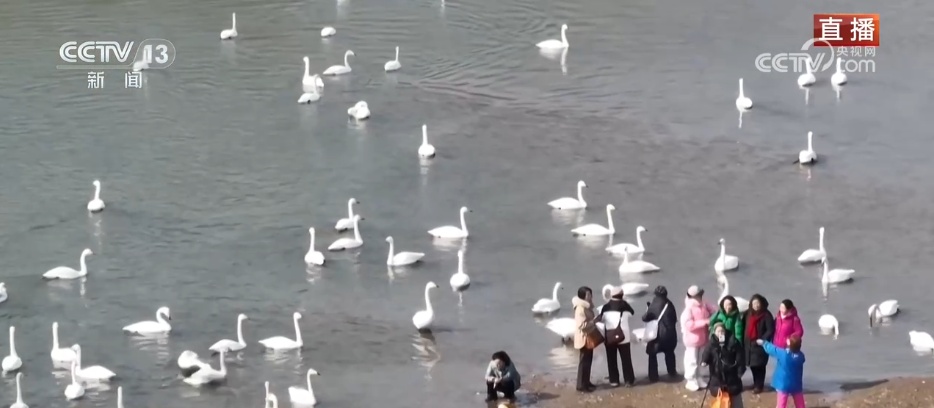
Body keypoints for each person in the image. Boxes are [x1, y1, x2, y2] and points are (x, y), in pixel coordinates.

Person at [680, 285, 717, 391]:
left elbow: (714, 310)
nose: (700, 297)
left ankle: (698, 377)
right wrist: (704, 322)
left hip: (703, 338)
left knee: (701, 359)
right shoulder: (688, 309)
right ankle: (690, 379)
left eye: (700, 294)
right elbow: (688, 325)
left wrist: (712, 313)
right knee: (691, 360)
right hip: (692, 340)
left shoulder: (703, 304)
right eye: (698, 295)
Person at [596, 285, 635, 387]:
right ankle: (628, 380)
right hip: (624, 337)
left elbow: (601, 318)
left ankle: (614, 381)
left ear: (611, 295)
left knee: (611, 359)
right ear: (622, 295)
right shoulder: (625, 306)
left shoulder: (605, 307)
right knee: (626, 359)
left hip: (610, 337)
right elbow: (632, 314)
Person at [701, 322, 746, 408]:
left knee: (735, 398)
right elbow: (706, 353)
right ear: (714, 332)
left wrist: (740, 371)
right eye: (718, 331)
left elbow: (740, 357)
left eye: (722, 331)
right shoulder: (711, 343)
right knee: (718, 399)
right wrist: (704, 361)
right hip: (716, 375)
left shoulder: (733, 342)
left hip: (732, 376)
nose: (720, 333)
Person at [641, 285, 678, 382]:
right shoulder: (670, 304)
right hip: (670, 335)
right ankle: (672, 372)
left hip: (656, 336)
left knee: (652, 355)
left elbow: (645, 318)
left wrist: (648, 309)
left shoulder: (653, 304)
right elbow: (674, 319)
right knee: (669, 353)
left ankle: (653, 377)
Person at [757, 334, 806, 407]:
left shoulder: (783, 354)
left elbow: (772, 349)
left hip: (783, 384)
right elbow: (797, 354)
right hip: (796, 384)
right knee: (800, 403)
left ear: (789, 344)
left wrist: (764, 343)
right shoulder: (801, 356)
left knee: (781, 403)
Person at [743, 294, 774, 394]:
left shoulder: (766, 315)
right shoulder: (748, 314)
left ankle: (759, 385)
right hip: (749, 344)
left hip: (760, 344)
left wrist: (763, 339)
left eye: (758, 303)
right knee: (752, 365)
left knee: (760, 365)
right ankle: (755, 383)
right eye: (754, 303)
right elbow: (743, 325)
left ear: (761, 303)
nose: (756, 305)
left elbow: (770, 330)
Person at [572, 286, 598, 392]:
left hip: (589, 336)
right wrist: (594, 322)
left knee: (588, 360)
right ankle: (581, 385)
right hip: (583, 338)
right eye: (588, 295)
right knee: (583, 362)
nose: (590, 296)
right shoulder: (580, 308)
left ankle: (586, 382)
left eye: (590, 294)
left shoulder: (586, 306)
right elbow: (581, 325)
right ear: (583, 296)